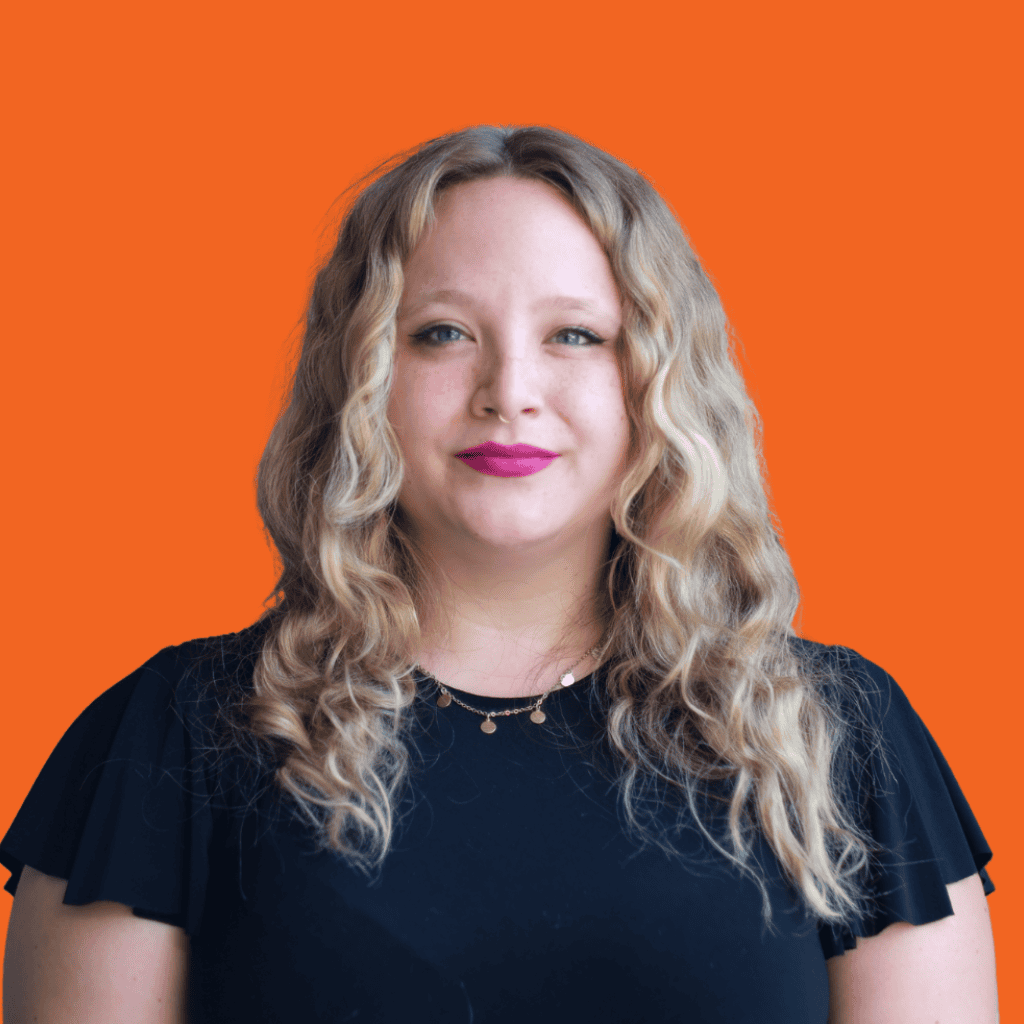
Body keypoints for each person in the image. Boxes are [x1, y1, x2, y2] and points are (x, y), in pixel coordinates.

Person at [1, 125, 998, 1023]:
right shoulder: (171, 737)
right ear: (360, 378)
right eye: (442, 333)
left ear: (657, 383)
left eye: (576, 335)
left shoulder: (839, 736)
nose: (509, 392)